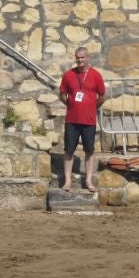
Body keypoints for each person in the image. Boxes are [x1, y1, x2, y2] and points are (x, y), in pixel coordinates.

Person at [58, 47, 107, 194]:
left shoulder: (96, 75)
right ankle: (67, 181)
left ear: (87, 58)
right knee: (69, 150)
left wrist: (92, 107)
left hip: (89, 120)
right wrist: (71, 105)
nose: (80, 60)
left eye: (82, 58)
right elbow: (62, 94)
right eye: (78, 58)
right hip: (72, 120)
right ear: (75, 58)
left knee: (89, 150)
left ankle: (88, 181)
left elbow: (102, 96)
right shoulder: (68, 75)